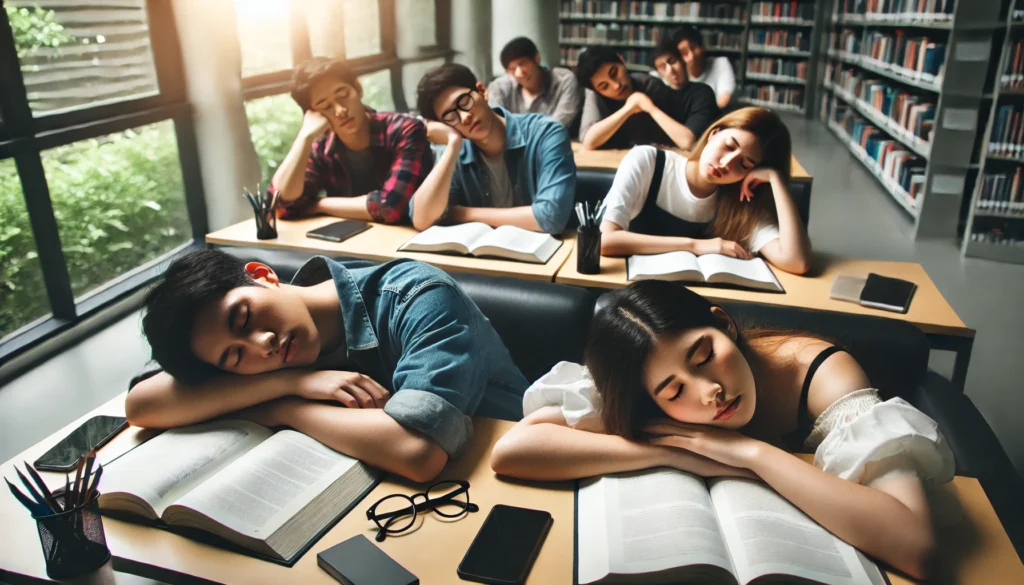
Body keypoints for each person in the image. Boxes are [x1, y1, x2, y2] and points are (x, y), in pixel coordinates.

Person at [491, 281, 954, 580]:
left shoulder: (822, 374)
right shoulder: (648, 392)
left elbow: (917, 547)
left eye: (705, 354)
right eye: (674, 392)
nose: (709, 391)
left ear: (724, 324)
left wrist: (748, 453)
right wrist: (671, 454)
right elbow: (513, 448)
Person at [125, 249, 528, 483]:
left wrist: (285, 408)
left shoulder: (416, 294)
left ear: (263, 276)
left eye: (244, 318)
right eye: (233, 356)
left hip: (511, 469)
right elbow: (142, 406)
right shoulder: (273, 361)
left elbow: (418, 452)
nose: (261, 345)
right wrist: (294, 382)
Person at [599, 107, 812, 275]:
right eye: (729, 146)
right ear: (713, 134)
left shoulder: (740, 203)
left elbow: (797, 262)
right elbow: (604, 241)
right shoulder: (648, 161)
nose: (726, 163)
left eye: (744, 165)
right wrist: (696, 246)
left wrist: (777, 180)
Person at [411, 63, 576, 235]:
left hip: (546, 256)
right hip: (484, 259)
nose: (465, 117)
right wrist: (452, 143)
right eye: (450, 116)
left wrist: (460, 213)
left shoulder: (546, 133)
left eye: (464, 101)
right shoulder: (456, 152)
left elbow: (550, 217)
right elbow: (422, 219)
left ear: (482, 91)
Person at [269, 57, 433, 223]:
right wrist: (304, 138)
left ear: (358, 88)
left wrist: (319, 205)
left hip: (406, 239)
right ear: (314, 114)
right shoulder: (320, 147)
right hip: (350, 241)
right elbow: (282, 205)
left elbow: (391, 207)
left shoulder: (404, 129)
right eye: (326, 107)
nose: (340, 110)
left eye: (343, 95)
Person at [575, 46, 718, 151]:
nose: (616, 85)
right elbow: (588, 141)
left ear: (621, 60)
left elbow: (686, 141)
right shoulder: (595, 95)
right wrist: (628, 109)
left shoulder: (650, 86)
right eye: (604, 86)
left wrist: (646, 106)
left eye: (614, 73)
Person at [487, 36, 583, 131]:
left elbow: (557, 125)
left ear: (537, 58)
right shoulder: (499, 87)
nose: (519, 73)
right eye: (512, 69)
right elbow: (496, 126)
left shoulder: (563, 80)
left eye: (522, 64)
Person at [673, 26, 736, 110]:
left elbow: (723, 102)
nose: (691, 56)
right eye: (684, 52)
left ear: (702, 48)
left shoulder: (720, 63)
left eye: (694, 48)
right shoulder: (674, 73)